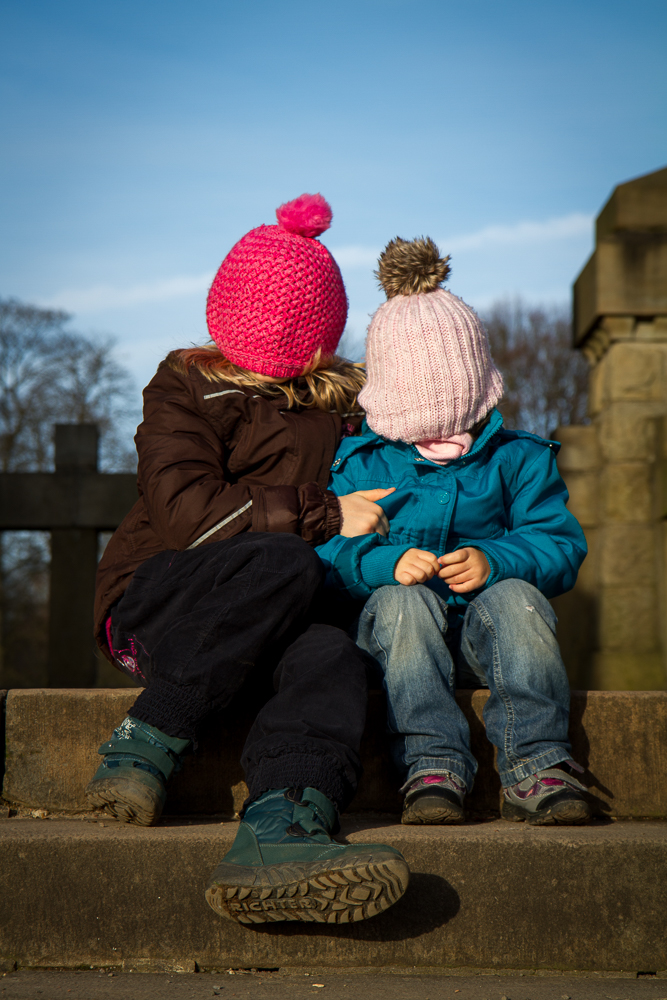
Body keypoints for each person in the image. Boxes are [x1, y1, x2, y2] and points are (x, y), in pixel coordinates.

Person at [86, 194, 409, 924]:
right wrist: (325, 514)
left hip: (273, 619)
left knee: (330, 649)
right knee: (284, 562)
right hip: (161, 605)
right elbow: (185, 513)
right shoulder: (185, 386)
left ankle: (283, 824)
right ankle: (148, 738)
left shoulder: (345, 411)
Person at [316, 236, 591, 828]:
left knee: (519, 597)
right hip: (394, 644)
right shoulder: (358, 462)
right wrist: (382, 564)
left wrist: (496, 559)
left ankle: (538, 762)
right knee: (403, 601)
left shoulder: (518, 458)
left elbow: (560, 542)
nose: (436, 431)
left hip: (481, 641)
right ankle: (432, 762)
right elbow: (327, 549)